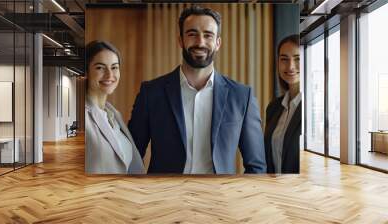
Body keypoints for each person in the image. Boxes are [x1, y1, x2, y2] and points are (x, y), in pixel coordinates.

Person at [128, 6, 266, 174]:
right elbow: (131, 158)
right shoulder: (151, 93)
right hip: (165, 196)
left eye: (208, 35)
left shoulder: (242, 96)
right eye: (192, 34)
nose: (200, 42)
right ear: (181, 40)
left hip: (219, 197)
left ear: (218, 43)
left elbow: (256, 166)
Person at [85, 40, 145, 174]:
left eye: (114, 67)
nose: (109, 75)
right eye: (100, 67)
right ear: (86, 72)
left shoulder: (114, 114)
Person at [264, 35, 301, 174]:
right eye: (284, 59)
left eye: (298, 59)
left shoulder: (311, 109)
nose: (290, 66)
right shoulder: (273, 108)